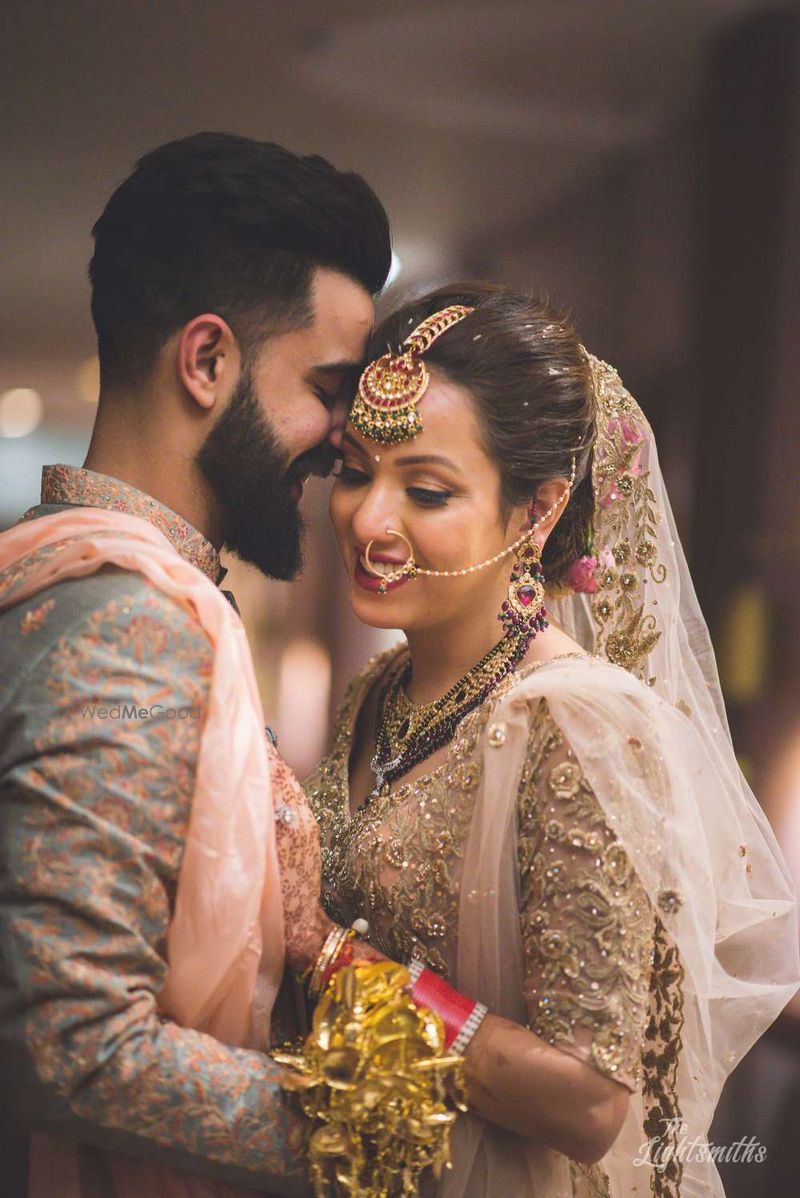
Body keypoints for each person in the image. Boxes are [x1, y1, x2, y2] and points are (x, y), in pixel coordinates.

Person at [305, 282, 800, 1196]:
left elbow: (586, 1103)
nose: (369, 520)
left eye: (425, 489)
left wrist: (329, 956)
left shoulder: (578, 725)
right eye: (352, 470)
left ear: (535, 511)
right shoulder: (378, 692)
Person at [0, 130, 392, 1197]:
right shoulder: (133, 619)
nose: (339, 438)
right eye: (327, 387)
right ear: (206, 359)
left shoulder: (68, 579)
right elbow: (73, 1043)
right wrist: (385, 1132)